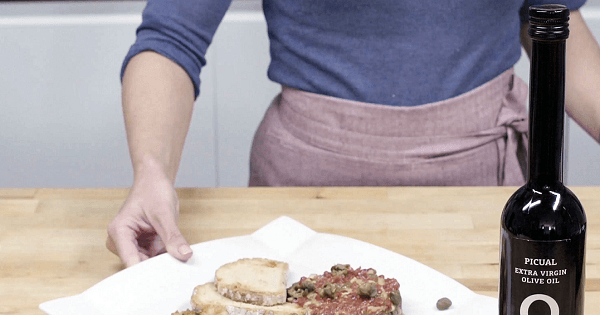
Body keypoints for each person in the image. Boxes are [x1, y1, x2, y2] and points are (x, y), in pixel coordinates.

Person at [106, 0, 600, 267]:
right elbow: (172, 38)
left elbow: (556, 25)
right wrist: (151, 173)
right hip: (303, 196)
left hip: (476, 198)